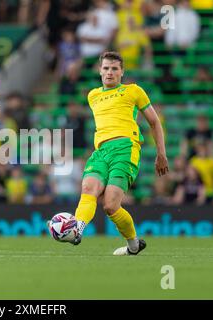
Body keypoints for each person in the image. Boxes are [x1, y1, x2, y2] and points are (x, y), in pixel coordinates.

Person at [70, 51, 168, 255]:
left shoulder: (133, 91)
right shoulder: (93, 95)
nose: (110, 72)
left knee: (110, 205)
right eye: (106, 68)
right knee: (88, 188)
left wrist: (161, 154)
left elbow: (154, 122)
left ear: (122, 72)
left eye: (115, 68)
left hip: (126, 148)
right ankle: (76, 230)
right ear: (100, 71)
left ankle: (133, 244)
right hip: (101, 151)